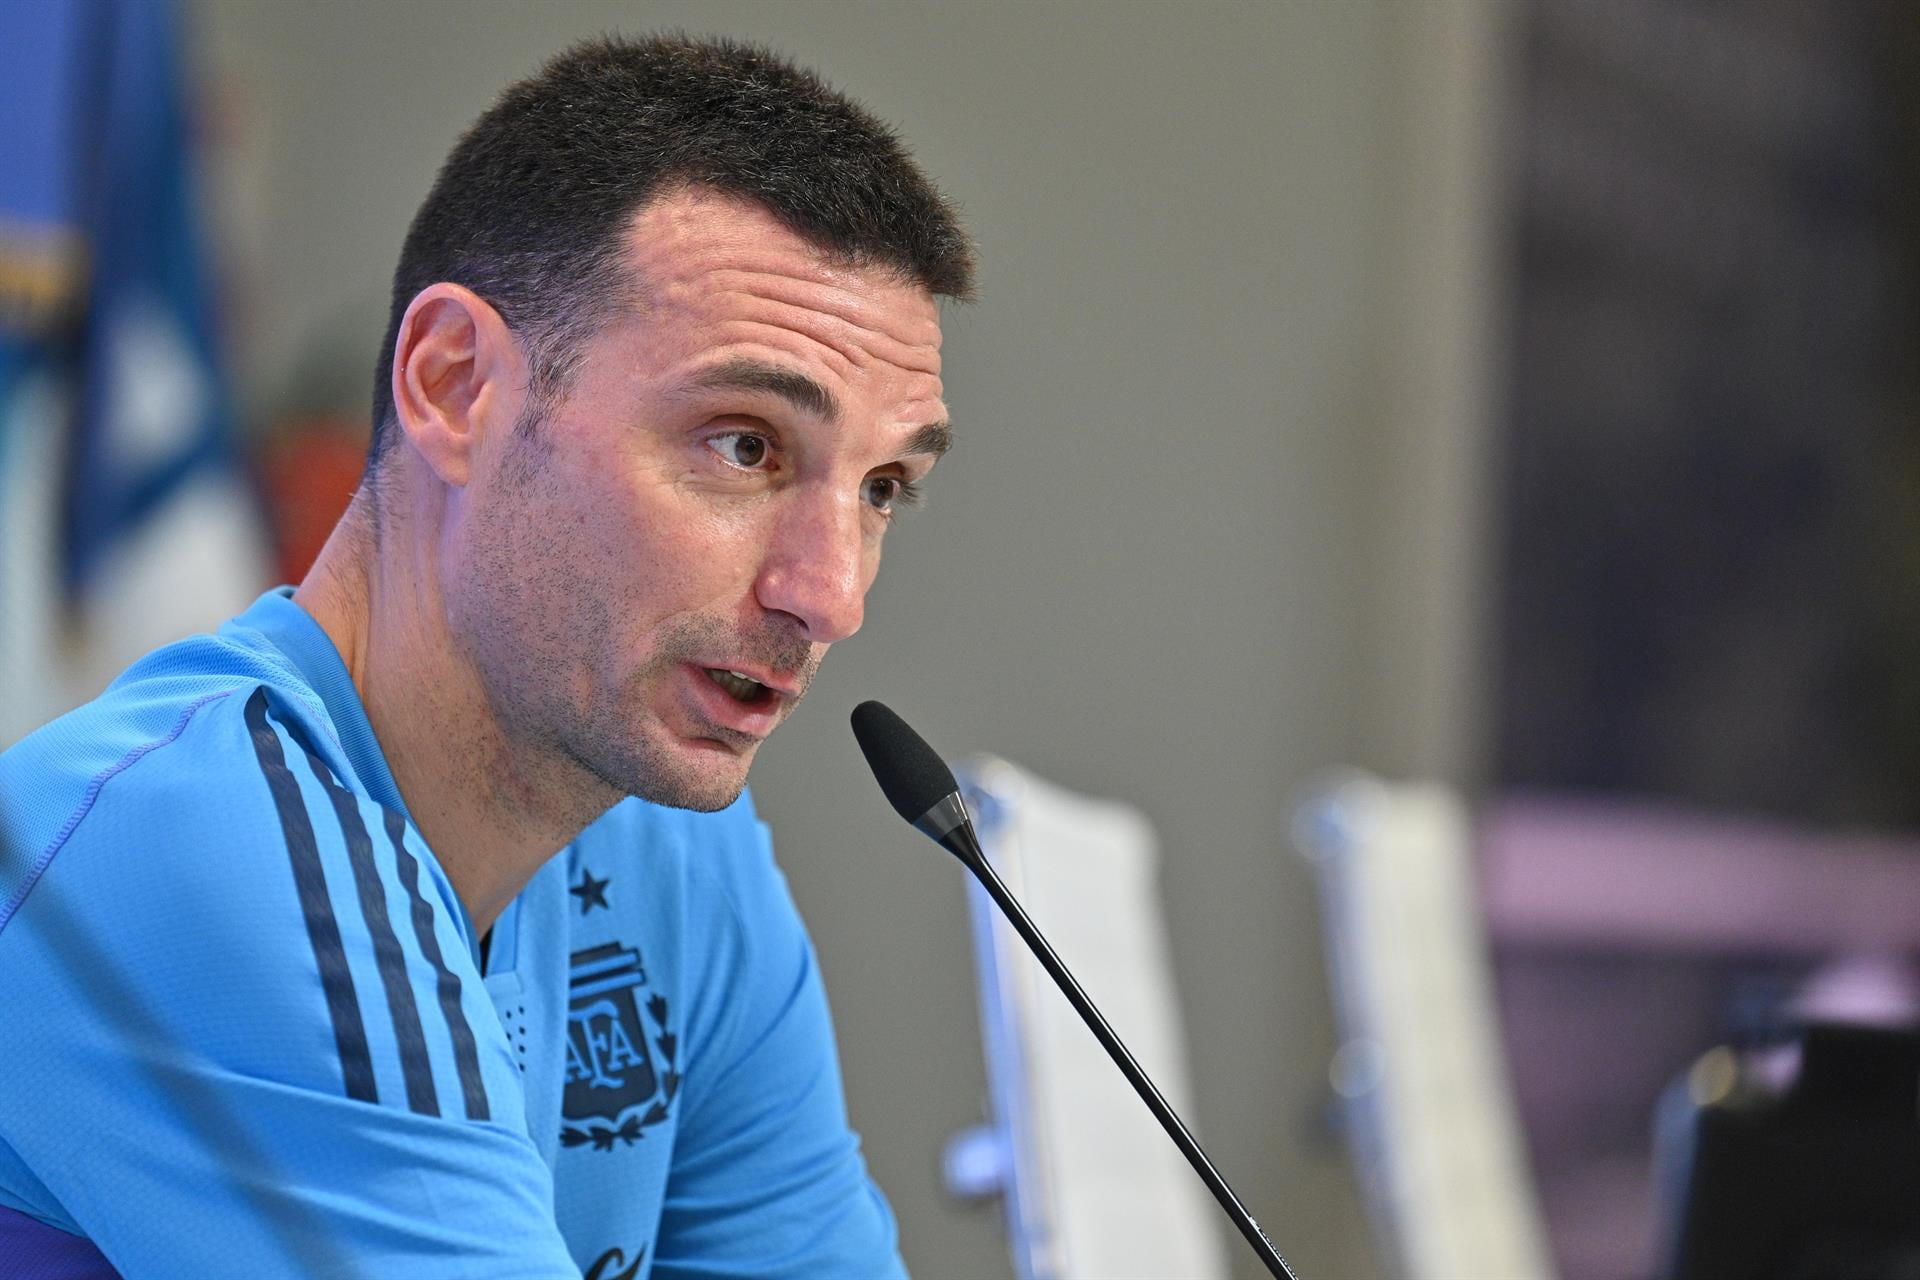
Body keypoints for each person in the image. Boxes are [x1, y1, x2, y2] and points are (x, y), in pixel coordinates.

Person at [0, 33, 973, 1278]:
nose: (830, 595)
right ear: (456, 385)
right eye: (744, 444)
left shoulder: (674, 841)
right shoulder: (196, 844)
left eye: (883, 486)